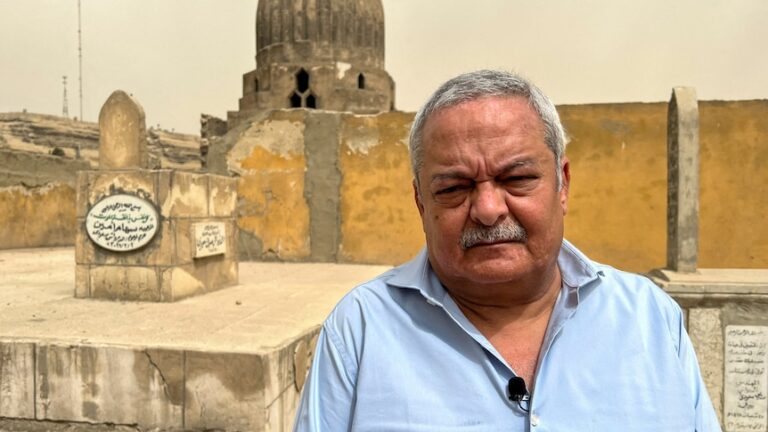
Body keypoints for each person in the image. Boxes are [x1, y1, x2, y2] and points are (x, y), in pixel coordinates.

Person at [293, 70, 720, 431]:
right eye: (454, 188)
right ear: (421, 201)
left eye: (516, 179)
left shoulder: (649, 320)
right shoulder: (361, 330)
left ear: (562, 184)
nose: (488, 209)